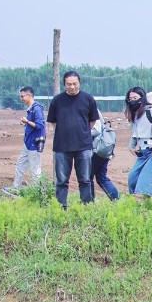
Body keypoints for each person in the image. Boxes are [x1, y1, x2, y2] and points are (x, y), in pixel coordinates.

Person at [46, 71, 99, 209]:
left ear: (79, 83)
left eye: (75, 84)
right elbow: (53, 122)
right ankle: (61, 207)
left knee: (85, 179)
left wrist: (81, 132)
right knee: (62, 180)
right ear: (64, 84)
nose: (72, 87)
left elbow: (92, 121)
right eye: (69, 84)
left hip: (83, 146)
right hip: (62, 147)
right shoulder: (57, 101)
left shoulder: (88, 99)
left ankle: (86, 206)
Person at [125, 88, 152, 200]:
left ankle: (148, 212)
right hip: (143, 153)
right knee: (133, 181)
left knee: (143, 188)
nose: (132, 101)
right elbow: (135, 132)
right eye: (130, 99)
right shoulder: (135, 114)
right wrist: (131, 145)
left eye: (135, 98)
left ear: (142, 98)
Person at [3, 86, 46, 196]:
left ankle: (37, 193)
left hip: (34, 144)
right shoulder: (31, 109)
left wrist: (27, 122)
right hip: (28, 144)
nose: (21, 98)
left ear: (29, 95)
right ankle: (15, 189)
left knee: (35, 169)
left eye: (22, 96)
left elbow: (40, 125)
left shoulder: (36, 109)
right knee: (20, 165)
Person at [90, 108, 119, 201]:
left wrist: (81, 133)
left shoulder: (90, 110)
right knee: (101, 177)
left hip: (95, 151)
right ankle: (116, 199)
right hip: (104, 150)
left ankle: (89, 203)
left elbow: (97, 131)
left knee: (87, 177)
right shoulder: (95, 110)